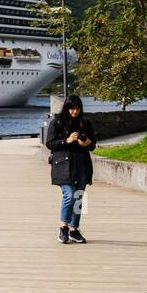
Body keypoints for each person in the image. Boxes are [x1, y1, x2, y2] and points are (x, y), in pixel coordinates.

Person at [45, 94, 97, 244]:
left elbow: (93, 145)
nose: (75, 112)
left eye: (78, 109)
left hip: (82, 164)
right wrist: (66, 141)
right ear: (66, 108)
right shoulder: (58, 122)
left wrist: (86, 142)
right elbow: (50, 143)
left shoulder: (85, 123)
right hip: (63, 165)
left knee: (79, 196)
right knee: (69, 194)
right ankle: (63, 228)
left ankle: (74, 230)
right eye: (72, 109)